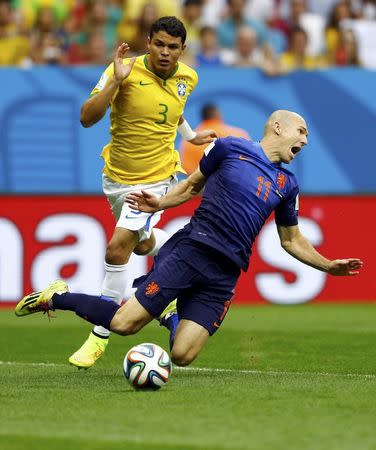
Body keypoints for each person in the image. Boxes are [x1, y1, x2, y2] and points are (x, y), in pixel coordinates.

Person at [15, 110, 363, 368]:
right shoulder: (229, 149)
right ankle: (56, 296)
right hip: (191, 249)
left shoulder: (288, 185)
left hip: (225, 274)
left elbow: (292, 239)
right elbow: (191, 186)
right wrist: (160, 202)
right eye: (301, 131)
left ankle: (166, 309)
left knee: (181, 355)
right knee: (124, 324)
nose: (304, 140)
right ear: (277, 127)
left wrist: (328, 265)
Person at [68, 16, 216, 369]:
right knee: (142, 244)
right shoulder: (123, 70)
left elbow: (174, 112)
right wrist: (114, 85)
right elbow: (87, 118)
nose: (165, 52)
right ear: (148, 42)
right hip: (118, 177)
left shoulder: (188, 77)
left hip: (160, 177)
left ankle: (99, 333)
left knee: (118, 246)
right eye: (159, 44)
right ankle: (185, 257)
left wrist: (191, 136)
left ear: (183, 50)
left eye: (173, 47)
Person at [181, 103, 249, 175]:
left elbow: (188, 170)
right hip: (232, 182)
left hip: (200, 184)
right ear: (217, 114)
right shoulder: (238, 134)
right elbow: (247, 162)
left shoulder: (189, 141)